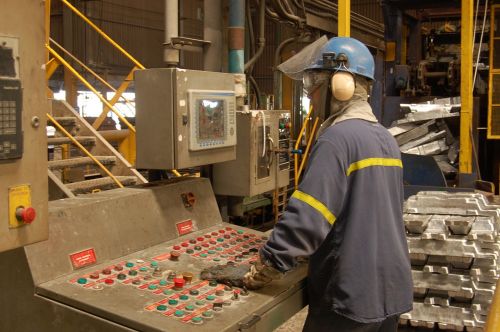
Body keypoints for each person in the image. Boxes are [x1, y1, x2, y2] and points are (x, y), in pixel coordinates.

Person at [243, 37, 413, 332]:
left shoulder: (338, 139)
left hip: (351, 296)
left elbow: (308, 219)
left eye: (314, 83)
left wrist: (268, 264)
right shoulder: (386, 139)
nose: (309, 95)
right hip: (390, 289)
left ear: (341, 84)